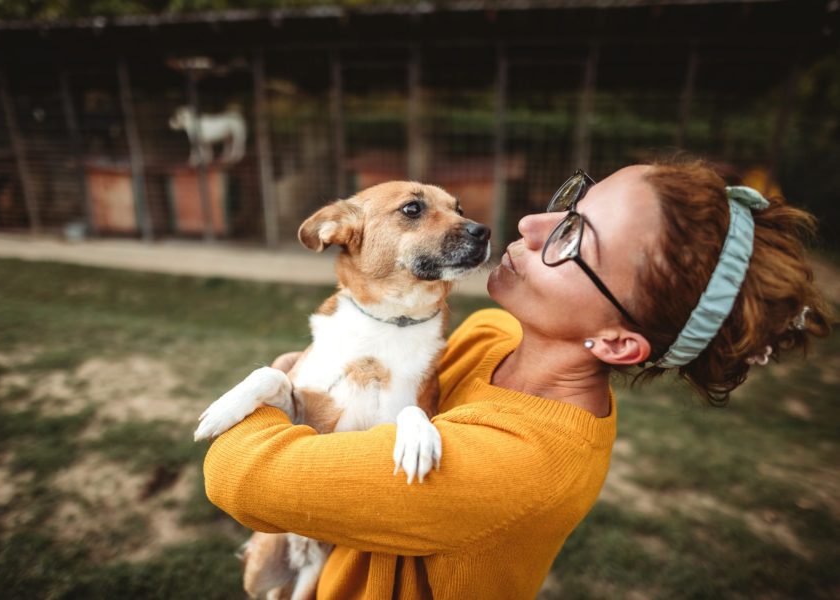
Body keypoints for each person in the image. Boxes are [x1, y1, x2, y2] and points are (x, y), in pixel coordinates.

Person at [202, 159, 831, 599]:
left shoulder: (515, 467)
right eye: (570, 204)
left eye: (574, 238)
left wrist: (280, 378)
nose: (530, 224)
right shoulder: (489, 336)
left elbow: (237, 475)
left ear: (615, 340)